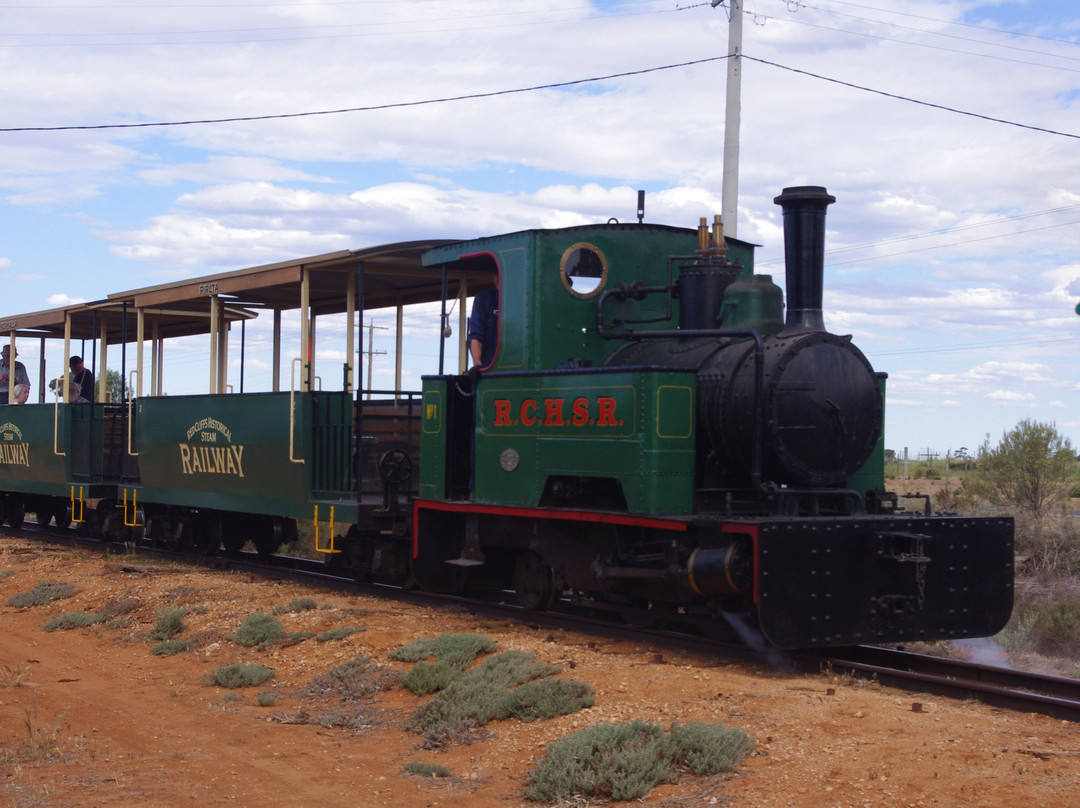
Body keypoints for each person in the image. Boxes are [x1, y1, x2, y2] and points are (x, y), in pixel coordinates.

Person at [467, 280, 500, 370]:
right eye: (495, 275)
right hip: (489, 368)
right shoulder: (484, 299)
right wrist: (478, 366)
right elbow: (476, 336)